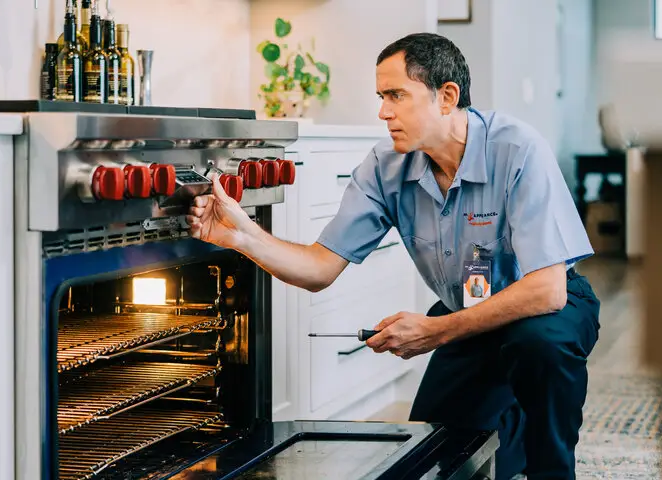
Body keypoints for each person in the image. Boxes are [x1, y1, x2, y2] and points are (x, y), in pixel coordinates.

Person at [185, 33, 600, 480]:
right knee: (437, 457)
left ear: (446, 96)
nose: (383, 111)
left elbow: (547, 289)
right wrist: (242, 237)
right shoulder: (386, 167)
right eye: (382, 97)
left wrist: (436, 331)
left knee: (537, 349)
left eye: (396, 96)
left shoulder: (517, 150)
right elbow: (319, 268)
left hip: (545, 310)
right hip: (470, 314)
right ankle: (511, 428)